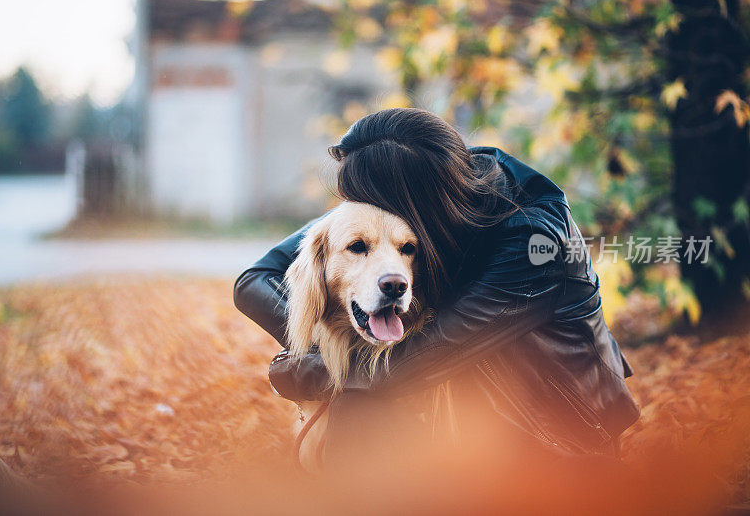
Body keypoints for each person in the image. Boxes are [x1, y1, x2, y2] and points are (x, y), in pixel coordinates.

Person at [234, 108, 639, 461]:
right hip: (461, 416)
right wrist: (320, 341)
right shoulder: (433, 186)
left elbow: (418, 360)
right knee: (362, 397)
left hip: (556, 434)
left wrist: (317, 372)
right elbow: (255, 281)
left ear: (407, 204)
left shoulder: (536, 243)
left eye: (363, 202)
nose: (356, 211)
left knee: (363, 394)